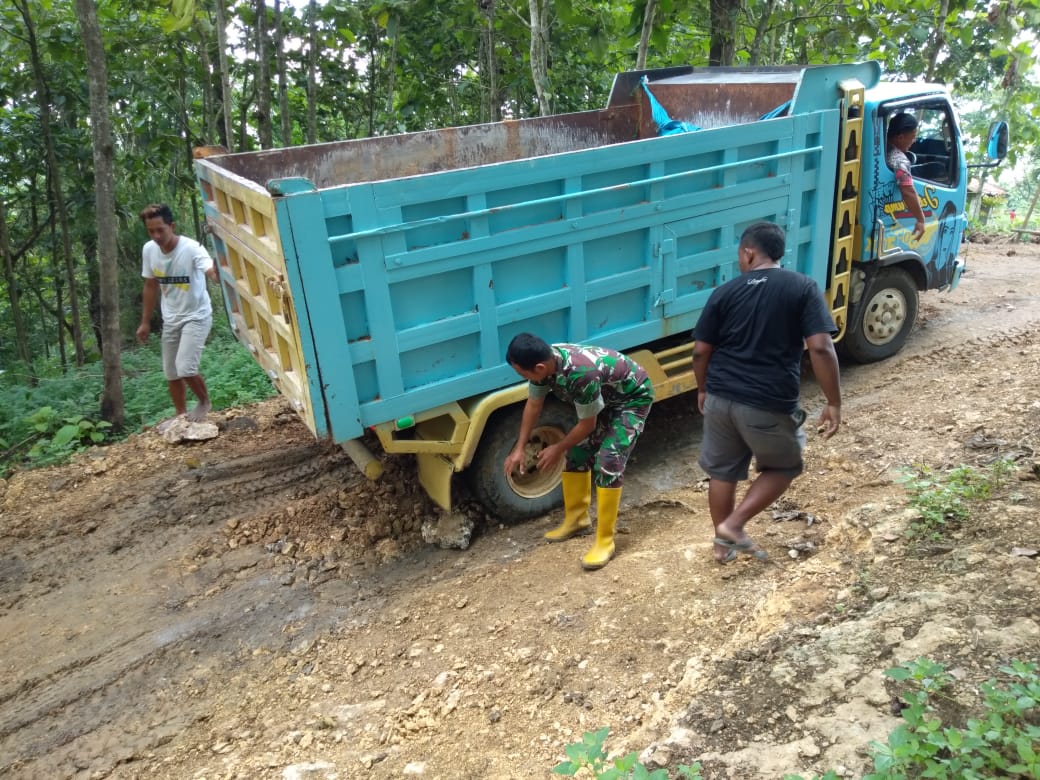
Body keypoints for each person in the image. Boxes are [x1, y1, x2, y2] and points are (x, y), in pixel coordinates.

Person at [692, 222, 841, 564]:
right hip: (767, 401)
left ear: (748, 252)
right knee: (784, 466)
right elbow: (820, 347)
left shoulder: (724, 292)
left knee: (722, 471)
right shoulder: (802, 287)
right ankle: (733, 525)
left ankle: (721, 546)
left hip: (719, 397)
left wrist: (703, 389)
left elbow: (701, 351)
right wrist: (833, 401)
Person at [503, 334, 654, 570]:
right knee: (577, 451)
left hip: (631, 400)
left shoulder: (580, 374)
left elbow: (587, 425)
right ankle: (577, 519)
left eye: (523, 374)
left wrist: (557, 448)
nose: (523, 379)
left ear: (539, 367)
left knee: (608, 459)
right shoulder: (545, 366)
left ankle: (605, 541)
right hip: (606, 398)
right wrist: (519, 447)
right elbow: (533, 404)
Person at [136, 203, 219, 428]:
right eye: (151, 231)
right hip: (171, 318)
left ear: (171, 226)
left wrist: (217, 271)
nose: (156, 236)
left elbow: (211, 272)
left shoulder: (192, 249)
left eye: (160, 230)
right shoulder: (149, 250)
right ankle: (181, 414)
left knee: (185, 367)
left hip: (197, 315)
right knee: (171, 372)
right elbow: (151, 285)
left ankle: (204, 401)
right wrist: (145, 322)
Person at [886, 112, 927, 241]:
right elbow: (907, 190)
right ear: (900, 137)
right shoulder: (899, 160)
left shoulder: (880, 147)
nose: (914, 141)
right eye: (913, 137)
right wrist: (920, 220)